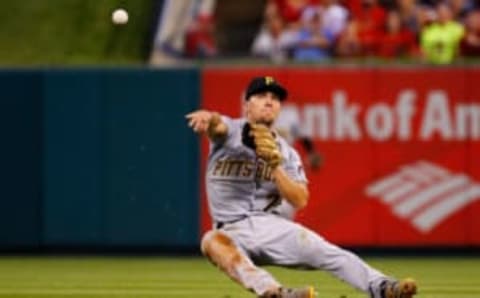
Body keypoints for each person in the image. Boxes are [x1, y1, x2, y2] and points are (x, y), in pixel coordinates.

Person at [185, 76, 417, 298]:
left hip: (271, 227)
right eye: (261, 95)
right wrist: (208, 117)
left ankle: (382, 287)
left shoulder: (286, 152)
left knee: (326, 251)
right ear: (247, 105)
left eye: (275, 98)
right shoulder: (231, 131)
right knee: (210, 241)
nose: (269, 101)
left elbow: (300, 199)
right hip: (230, 231)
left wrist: (275, 167)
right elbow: (217, 124)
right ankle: (274, 292)